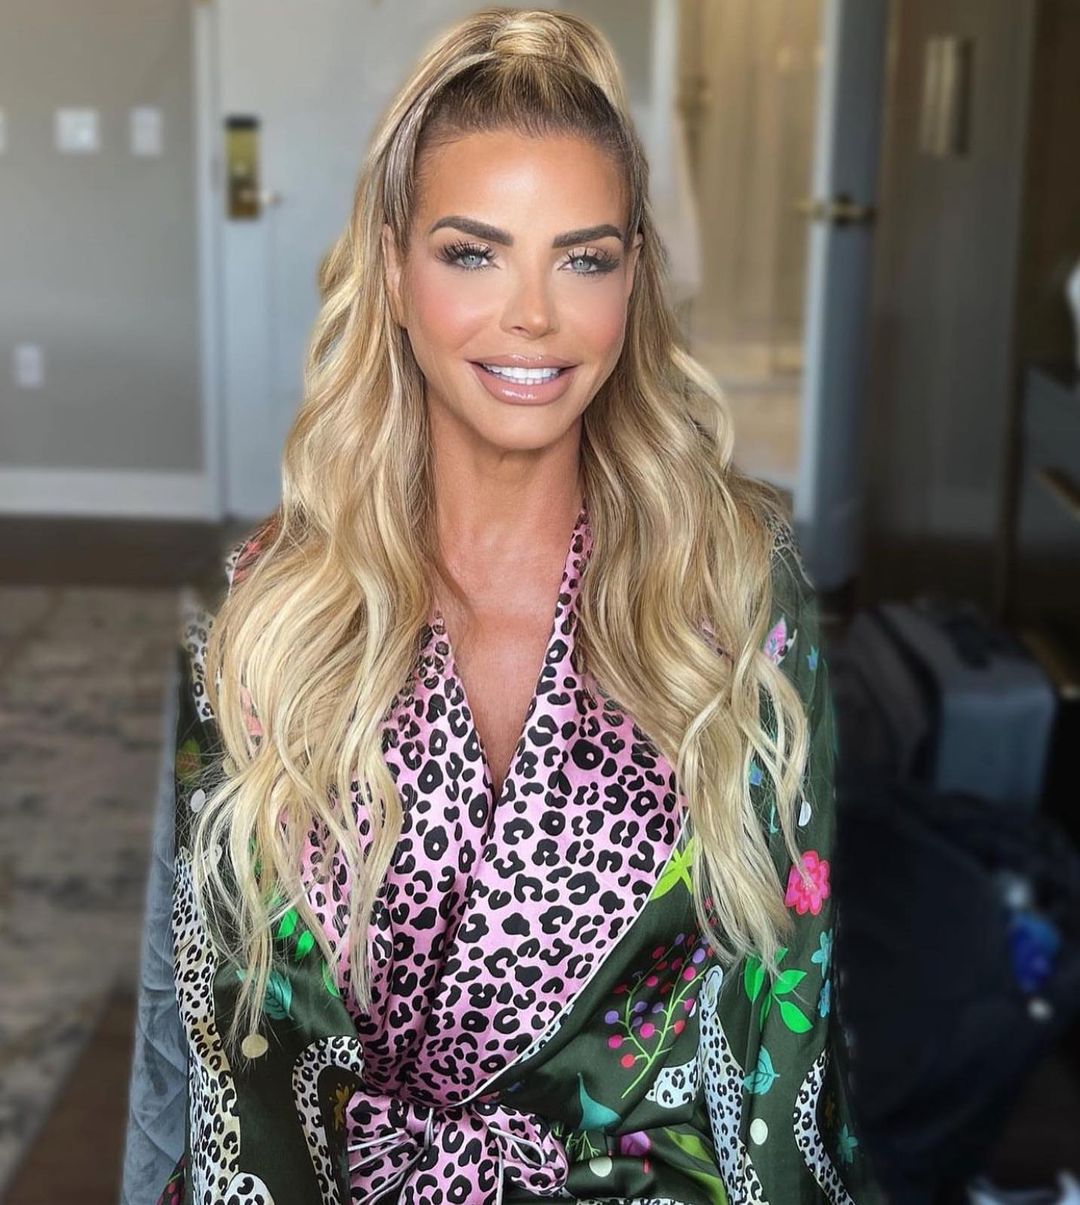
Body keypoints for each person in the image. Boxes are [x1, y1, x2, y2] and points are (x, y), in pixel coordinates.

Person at [155, 8, 886, 1203]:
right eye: (473, 253)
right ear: (394, 269)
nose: (534, 314)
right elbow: (241, 1060)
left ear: (632, 277)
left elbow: (784, 1022)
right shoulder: (275, 616)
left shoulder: (728, 585)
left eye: (583, 258)